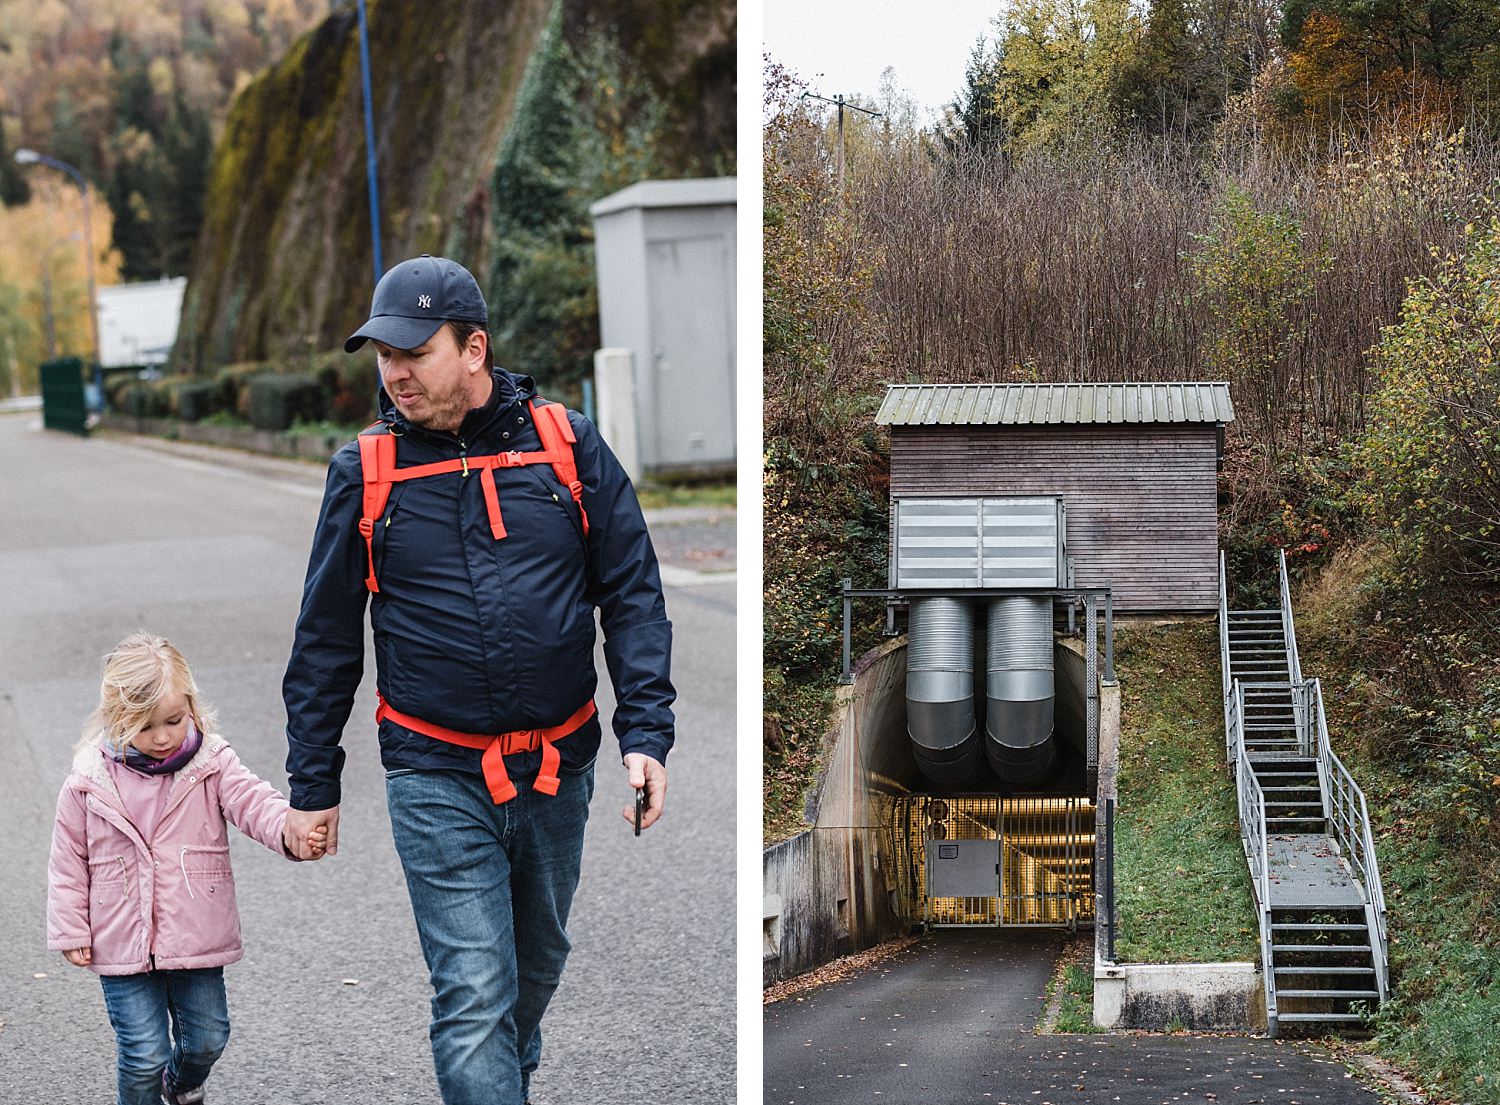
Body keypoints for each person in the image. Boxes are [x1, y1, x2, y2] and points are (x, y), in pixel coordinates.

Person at [280, 254, 675, 1105]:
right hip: (434, 771)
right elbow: (324, 637)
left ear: (473, 348)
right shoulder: (367, 470)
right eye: (383, 355)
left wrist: (646, 732)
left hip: (556, 766)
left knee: (533, 972)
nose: (393, 372)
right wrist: (313, 781)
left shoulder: (567, 446)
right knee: (473, 997)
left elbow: (632, 591)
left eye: (412, 352)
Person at [46, 633, 327, 1105]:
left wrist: (289, 830)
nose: (161, 737)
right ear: (116, 719)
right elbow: (67, 858)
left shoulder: (211, 763)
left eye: (173, 721)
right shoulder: (89, 782)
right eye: (143, 725)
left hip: (195, 930)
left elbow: (254, 802)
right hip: (120, 937)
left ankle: (179, 1085)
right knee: (142, 1053)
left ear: (192, 706)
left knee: (207, 1039)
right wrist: (71, 926)